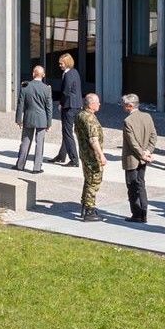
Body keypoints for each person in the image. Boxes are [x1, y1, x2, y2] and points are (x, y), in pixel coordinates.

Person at [119, 92, 157, 223]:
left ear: (129, 106)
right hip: (144, 157)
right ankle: (144, 212)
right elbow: (153, 136)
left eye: (124, 105)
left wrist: (142, 154)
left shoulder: (128, 121)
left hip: (133, 159)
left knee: (132, 187)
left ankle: (137, 214)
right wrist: (148, 152)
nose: (123, 107)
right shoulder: (147, 116)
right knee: (141, 185)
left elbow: (132, 142)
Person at [74, 92, 106, 221]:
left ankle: (85, 205)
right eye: (97, 102)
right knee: (94, 181)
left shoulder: (80, 115)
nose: (99, 104)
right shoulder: (90, 119)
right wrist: (101, 155)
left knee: (88, 180)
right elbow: (93, 140)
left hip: (84, 153)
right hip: (92, 155)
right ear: (91, 104)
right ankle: (89, 210)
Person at [14, 64, 52, 172]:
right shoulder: (46, 89)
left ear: (33, 74)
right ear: (43, 75)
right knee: (39, 143)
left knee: (25, 142)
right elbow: (49, 107)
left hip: (28, 117)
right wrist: (49, 123)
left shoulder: (25, 87)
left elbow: (20, 105)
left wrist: (18, 120)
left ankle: (20, 165)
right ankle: (37, 167)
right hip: (42, 119)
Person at [49, 52, 85, 165]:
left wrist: (61, 103)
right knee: (66, 131)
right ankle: (61, 155)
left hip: (69, 106)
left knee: (67, 132)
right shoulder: (75, 72)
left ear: (67, 63)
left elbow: (66, 92)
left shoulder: (68, 74)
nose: (60, 65)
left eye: (61, 63)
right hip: (76, 105)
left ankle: (74, 159)